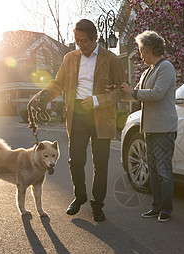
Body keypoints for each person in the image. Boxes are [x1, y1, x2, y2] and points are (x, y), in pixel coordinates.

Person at [32, 19, 124, 222]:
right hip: (77, 114)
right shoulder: (70, 58)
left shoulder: (111, 59)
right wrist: (43, 96)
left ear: (95, 38)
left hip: (101, 115)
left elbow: (120, 90)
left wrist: (99, 100)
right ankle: (79, 196)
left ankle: (97, 204)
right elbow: (58, 83)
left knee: (100, 164)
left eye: (83, 41)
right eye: (76, 40)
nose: (80, 45)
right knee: (75, 161)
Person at [120, 31, 177, 222]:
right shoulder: (147, 71)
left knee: (163, 170)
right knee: (152, 169)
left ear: (152, 49)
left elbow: (156, 94)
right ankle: (155, 207)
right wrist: (119, 92)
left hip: (163, 128)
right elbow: (136, 94)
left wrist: (133, 92)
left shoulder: (166, 67)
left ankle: (166, 209)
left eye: (142, 50)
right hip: (149, 128)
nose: (140, 54)